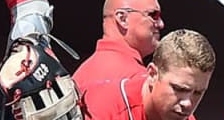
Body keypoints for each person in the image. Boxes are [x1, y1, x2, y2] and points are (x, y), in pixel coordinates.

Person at [79, 29, 215, 120]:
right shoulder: (103, 108)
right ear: (152, 74)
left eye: (198, 93)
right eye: (179, 89)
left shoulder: (183, 117)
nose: (188, 103)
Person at [74, 0, 163, 93]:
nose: (161, 24)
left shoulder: (81, 74)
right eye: (154, 15)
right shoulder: (138, 80)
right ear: (122, 19)